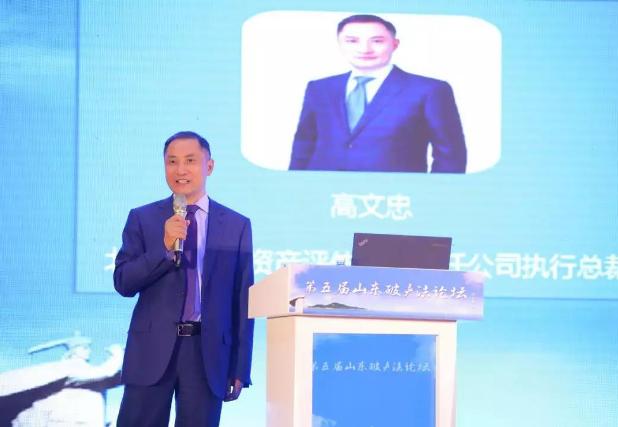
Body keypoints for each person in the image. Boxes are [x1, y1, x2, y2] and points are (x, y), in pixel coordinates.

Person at [113, 131, 254, 426]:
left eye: (190, 161)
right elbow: (123, 281)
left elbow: (243, 299)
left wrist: (240, 366)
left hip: (207, 353)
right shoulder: (143, 218)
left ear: (209, 166)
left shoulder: (236, 225)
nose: (180, 170)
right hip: (151, 350)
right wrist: (164, 247)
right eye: (172, 162)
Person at [288, 14, 467, 173]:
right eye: (352, 41)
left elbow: (450, 154)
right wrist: (295, 186)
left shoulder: (429, 89)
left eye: (377, 41)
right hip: (323, 189)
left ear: (394, 44)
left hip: (394, 193)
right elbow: (304, 143)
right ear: (340, 44)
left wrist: (437, 193)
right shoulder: (320, 88)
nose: (364, 49)